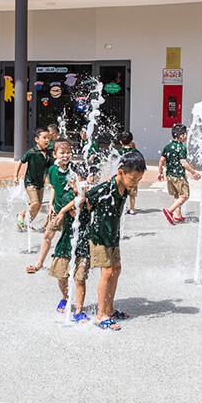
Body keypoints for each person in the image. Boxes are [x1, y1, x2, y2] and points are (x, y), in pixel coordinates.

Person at [86, 151, 146, 330]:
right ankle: (100, 315)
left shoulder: (124, 188)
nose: (135, 184)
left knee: (116, 269)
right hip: (99, 236)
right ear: (120, 172)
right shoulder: (107, 188)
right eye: (133, 179)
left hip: (113, 236)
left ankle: (109, 309)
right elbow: (87, 199)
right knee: (107, 272)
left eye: (138, 180)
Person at [48, 165, 90, 323]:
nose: (84, 185)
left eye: (87, 181)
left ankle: (79, 310)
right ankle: (65, 297)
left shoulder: (89, 197)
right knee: (61, 276)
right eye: (80, 182)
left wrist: (62, 211)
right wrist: (63, 210)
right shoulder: (66, 197)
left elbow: (87, 204)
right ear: (72, 182)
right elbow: (75, 208)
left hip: (83, 243)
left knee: (80, 279)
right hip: (67, 242)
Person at [27, 137, 74, 273]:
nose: (65, 155)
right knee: (48, 235)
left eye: (68, 152)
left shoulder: (73, 170)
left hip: (70, 211)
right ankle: (39, 263)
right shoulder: (52, 170)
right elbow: (53, 187)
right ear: (54, 155)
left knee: (70, 238)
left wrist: (66, 210)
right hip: (57, 209)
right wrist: (51, 204)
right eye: (62, 152)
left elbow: (78, 194)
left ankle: (70, 264)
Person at [158, 124, 201, 224]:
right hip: (179, 176)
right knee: (185, 195)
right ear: (182, 135)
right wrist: (194, 172)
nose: (186, 137)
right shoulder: (181, 148)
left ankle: (178, 215)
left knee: (177, 195)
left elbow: (161, 160)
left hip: (169, 175)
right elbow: (183, 163)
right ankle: (170, 210)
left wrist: (160, 173)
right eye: (186, 134)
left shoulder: (167, 146)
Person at [13, 126, 52, 230]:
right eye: (44, 137)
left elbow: (50, 169)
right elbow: (20, 162)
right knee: (35, 203)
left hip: (40, 183)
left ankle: (26, 224)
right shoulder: (31, 152)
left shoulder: (48, 154)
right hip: (30, 182)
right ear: (36, 139)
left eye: (48, 138)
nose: (47, 140)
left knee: (38, 207)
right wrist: (15, 176)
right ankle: (21, 215)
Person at [116, 131, 141, 214]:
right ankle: (132, 209)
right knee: (132, 194)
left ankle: (120, 209)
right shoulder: (135, 151)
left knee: (121, 193)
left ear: (120, 142)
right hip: (132, 176)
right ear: (132, 141)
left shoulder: (119, 152)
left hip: (123, 176)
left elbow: (116, 163)